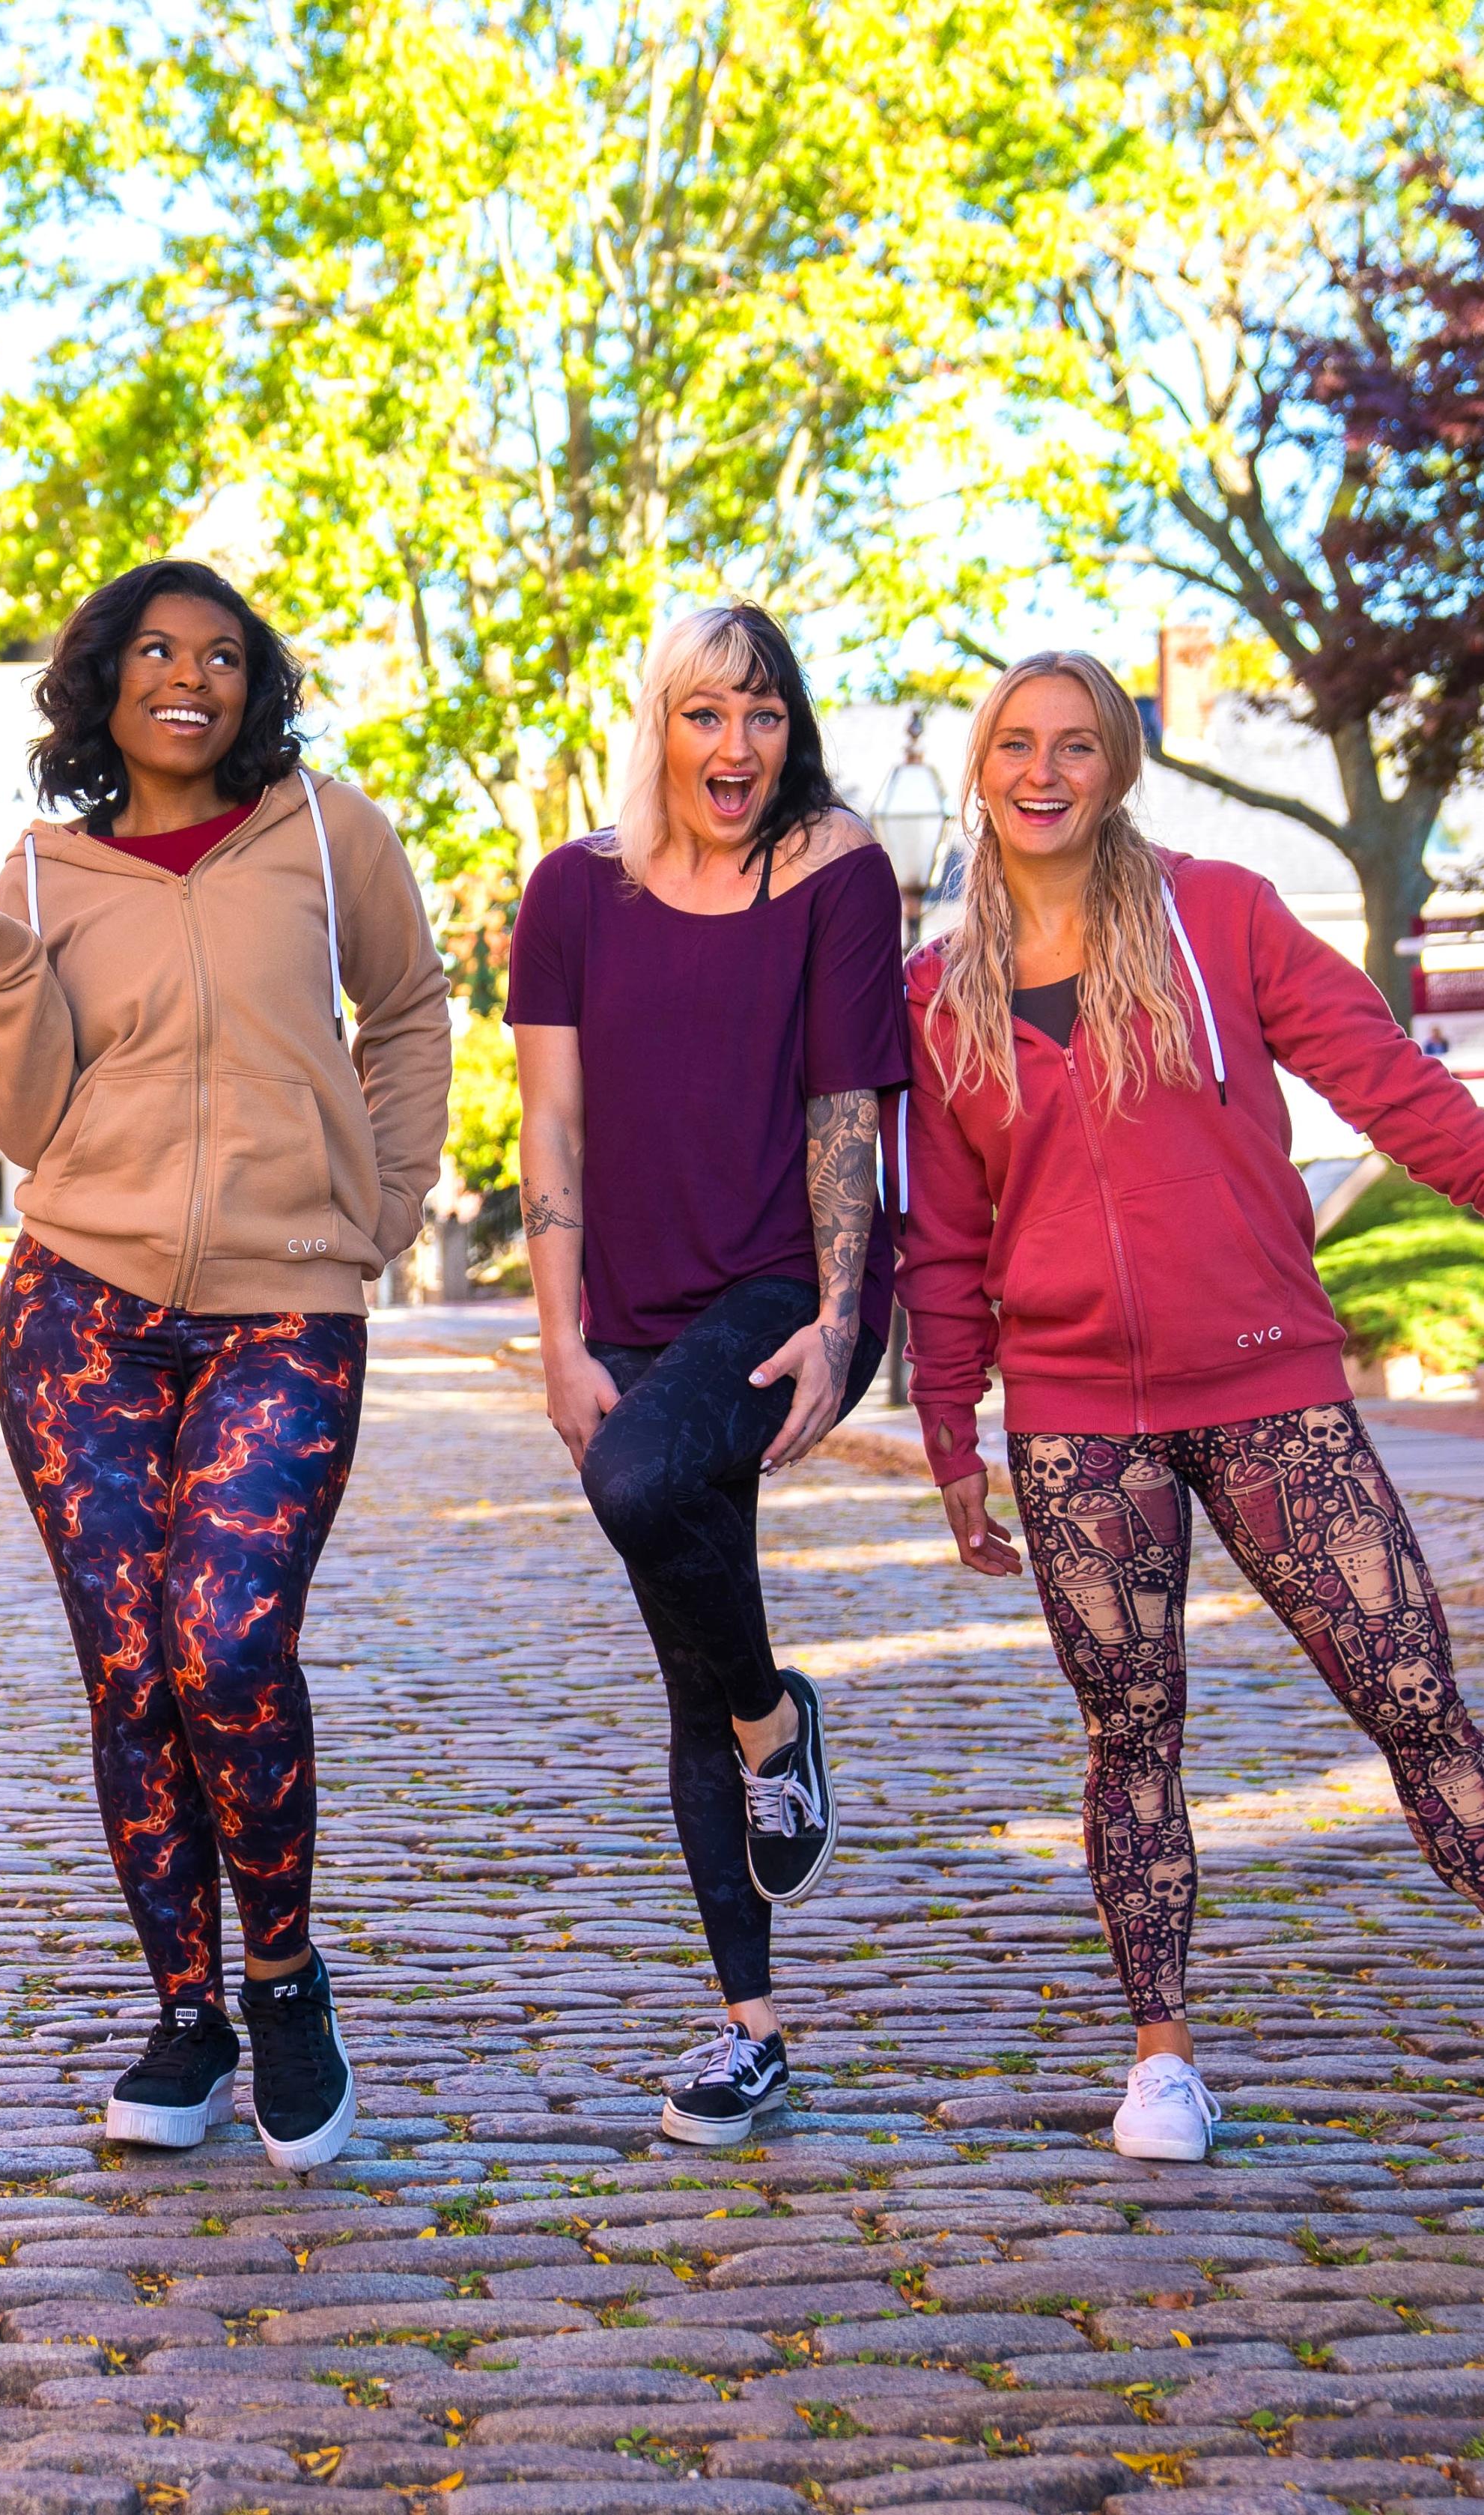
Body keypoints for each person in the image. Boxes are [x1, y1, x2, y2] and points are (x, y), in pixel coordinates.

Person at [0, 558, 450, 2170]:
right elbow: (18, 1118)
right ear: (104, 686)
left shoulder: (330, 837)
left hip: (287, 1308)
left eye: (219, 654)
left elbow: (408, 1012)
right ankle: (186, 2005)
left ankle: (283, 1977)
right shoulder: (48, 869)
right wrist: (6, 967)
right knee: (129, 1669)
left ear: (252, 686)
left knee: (225, 1642)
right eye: (153, 651)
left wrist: (383, 1204)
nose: (186, 677)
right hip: (81, 1304)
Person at [898, 651, 1484, 2163]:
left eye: (1075, 745)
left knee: (1413, 1693)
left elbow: (1385, 1080)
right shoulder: (936, 993)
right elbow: (946, 1239)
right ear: (981, 768)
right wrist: (951, 1432)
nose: (1042, 771)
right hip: (1077, 1417)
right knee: (1131, 1733)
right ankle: (1161, 2056)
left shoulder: (1220, 915)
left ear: (1117, 769)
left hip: (1268, 1382)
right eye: (1015, 745)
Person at [509, 604, 907, 2147]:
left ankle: (771, 1719)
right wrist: (558, 1335)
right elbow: (550, 1127)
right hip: (628, 1304)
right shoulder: (572, 891)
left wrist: (838, 1304)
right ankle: (749, 2028)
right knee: (681, 1641)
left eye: (761, 714)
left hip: (782, 1288)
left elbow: (843, 1116)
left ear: (789, 728)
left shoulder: (835, 873)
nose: (733, 746)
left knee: (636, 1481)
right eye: (702, 714)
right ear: (655, 724)